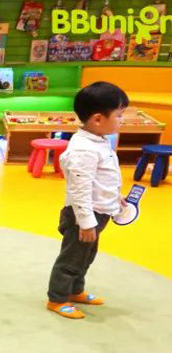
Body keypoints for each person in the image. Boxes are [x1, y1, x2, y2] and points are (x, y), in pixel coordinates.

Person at [46, 82, 129, 319]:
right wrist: (85, 222)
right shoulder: (84, 150)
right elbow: (80, 188)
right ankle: (57, 298)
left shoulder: (98, 140)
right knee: (72, 258)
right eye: (119, 115)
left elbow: (100, 180)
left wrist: (115, 198)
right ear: (98, 119)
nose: (121, 119)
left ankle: (75, 291)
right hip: (82, 216)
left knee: (86, 256)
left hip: (98, 212)